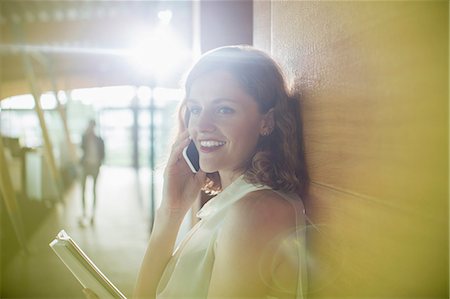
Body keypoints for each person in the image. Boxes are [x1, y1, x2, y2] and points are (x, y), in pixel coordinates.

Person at [85, 45, 308, 298]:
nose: (201, 125)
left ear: (266, 121)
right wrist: (172, 210)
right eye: (195, 109)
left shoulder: (255, 212)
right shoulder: (232, 204)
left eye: (224, 109)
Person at [79, 119, 105, 226]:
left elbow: (103, 154)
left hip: (95, 167)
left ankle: (93, 214)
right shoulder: (84, 138)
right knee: (83, 190)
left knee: (94, 190)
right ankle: (84, 212)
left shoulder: (99, 140)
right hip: (85, 167)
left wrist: (99, 164)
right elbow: (80, 149)